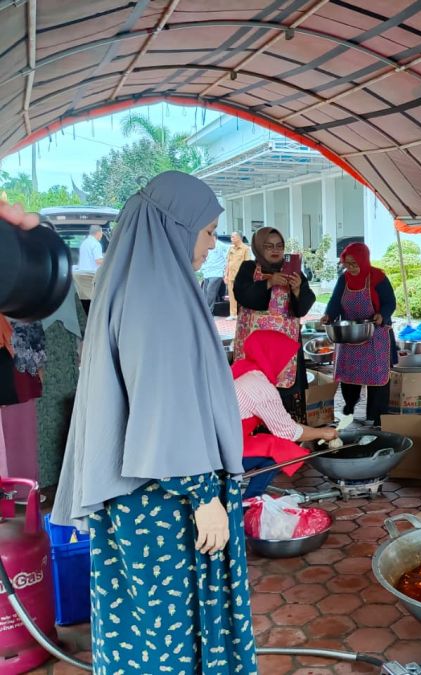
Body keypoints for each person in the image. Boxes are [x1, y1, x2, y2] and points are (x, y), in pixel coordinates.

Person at [49, 171, 258, 672]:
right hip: (164, 501)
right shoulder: (159, 298)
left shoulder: (135, 284)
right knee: (170, 636)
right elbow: (165, 405)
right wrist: (204, 495)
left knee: (142, 629)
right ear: (176, 227)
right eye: (208, 232)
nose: (212, 245)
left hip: (138, 497)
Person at [233, 330, 337, 499]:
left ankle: (250, 497)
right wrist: (324, 433)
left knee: (270, 441)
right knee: (283, 449)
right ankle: (250, 500)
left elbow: (281, 425)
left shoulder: (241, 369)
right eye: (286, 360)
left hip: (216, 442)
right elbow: (289, 432)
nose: (288, 366)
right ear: (271, 356)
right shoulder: (259, 386)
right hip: (223, 451)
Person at [322, 243, 397, 425]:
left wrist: (382, 315)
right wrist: (329, 315)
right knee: (349, 376)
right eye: (347, 264)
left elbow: (390, 302)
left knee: (377, 379)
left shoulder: (378, 277)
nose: (351, 268)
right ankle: (349, 407)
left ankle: (376, 417)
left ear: (364, 261)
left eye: (355, 264)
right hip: (349, 335)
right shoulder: (344, 279)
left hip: (375, 334)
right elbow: (335, 302)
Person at [232, 227, 315, 390]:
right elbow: (243, 296)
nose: (275, 250)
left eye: (279, 246)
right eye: (269, 246)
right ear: (259, 247)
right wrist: (269, 282)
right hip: (255, 350)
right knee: (254, 392)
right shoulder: (248, 268)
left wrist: (297, 290)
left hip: (284, 352)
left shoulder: (292, 271)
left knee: (285, 399)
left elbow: (303, 308)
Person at [73, 225, 104, 314]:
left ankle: (87, 316)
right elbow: (98, 261)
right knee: (96, 300)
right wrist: (109, 259)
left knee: (85, 299)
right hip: (91, 276)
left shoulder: (84, 243)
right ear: (98, 233)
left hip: (81, 276)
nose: (101, 235)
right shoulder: (96, 244)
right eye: (101, 233)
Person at [225, 231, 252, 319]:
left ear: (239, 238)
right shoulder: (231, 249)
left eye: (233, 237)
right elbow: (228, 263)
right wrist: (225, 275)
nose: (231, 239)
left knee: (242, 295)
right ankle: (233, 314)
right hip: (230, 276)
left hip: (240, 277)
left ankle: (243, 314)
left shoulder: (245, 248)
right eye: (231, 237)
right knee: (231, 296)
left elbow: (247, 263)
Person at [200, 236, 229, 312]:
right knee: (205, 292)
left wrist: (225, 272)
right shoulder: (207, 245)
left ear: (214, 237)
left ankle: (209, 311)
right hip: (207, 272)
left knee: (210, 291)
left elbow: (228, 258)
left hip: (217, 272)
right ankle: (204, 310)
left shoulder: (222, 245)